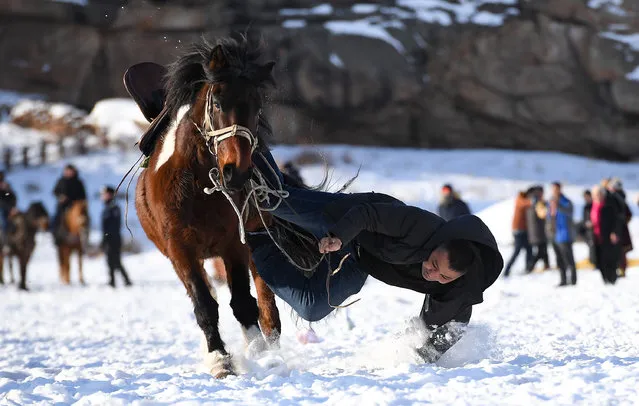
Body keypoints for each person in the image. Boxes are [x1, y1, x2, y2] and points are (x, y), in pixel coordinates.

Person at [247, 150, 503, 364]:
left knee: (311, 308)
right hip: (350, 222)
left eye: (443, 276)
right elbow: (366, 215)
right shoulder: (420, 225)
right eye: (434, 263)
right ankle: (250, 140)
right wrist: (337, 236)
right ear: (441, 243)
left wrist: (420, 359)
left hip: (361, 261)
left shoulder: (458, 294)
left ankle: (256, 237)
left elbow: (440, 336)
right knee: (273, 200)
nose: (432, 274)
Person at [101, 186, 132, 288]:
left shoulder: (114, 208)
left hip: (114, 239)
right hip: (108, 238)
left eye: (105, 194)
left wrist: (108, 237)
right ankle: (113, 281)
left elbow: (115, 226)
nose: (103, 196)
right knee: (110, 261)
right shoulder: (106, 207)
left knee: (116, 261)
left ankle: (125, 280)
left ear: (110, 195)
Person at [548, 182, 576, 286]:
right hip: (554, 234)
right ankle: (563, 280)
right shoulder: (550, 202)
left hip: (565, 234)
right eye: (553, 189)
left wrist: (558, 205)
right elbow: (548, 217)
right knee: (559, 260)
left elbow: (569, 212)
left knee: (569, 259)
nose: (554, 191)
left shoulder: (566, 202)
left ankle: (573, 280)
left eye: (556, 189)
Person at [51, 164, 87, 244]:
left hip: (75, 206)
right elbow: (55, 191)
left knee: (85, 219)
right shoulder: (61, 181)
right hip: (62, 206)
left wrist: (78, 202)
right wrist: (60, 197)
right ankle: (55, 237)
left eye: (70, 171)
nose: (68, 173)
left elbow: (83, 195)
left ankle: (85, 240)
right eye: (67, 171)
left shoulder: (78, 182)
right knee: (55, 219)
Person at [591, 186, 619, 284]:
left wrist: (614, 232)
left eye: (599, 194)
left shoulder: (609, 206)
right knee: (598, 259)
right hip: (595, 237)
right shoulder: (591, 206)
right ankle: (605, 279)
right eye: (595, 195)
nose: (597, 196)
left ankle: (612, 278)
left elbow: (616, 220)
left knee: (609, 258)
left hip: (607, 236)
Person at [503, 191, 532, 277]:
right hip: (518, 231)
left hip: (524, 230)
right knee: (517, 251)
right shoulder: (520, 200)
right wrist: (533, 200)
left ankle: (528, 268)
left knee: (529, 249)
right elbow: (526, 203)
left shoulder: (523, 200)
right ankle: (506, 271)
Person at [608, 179, 632, 278]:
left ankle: (621, 269)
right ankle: (620, 269)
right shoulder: (620, 197)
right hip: (621, 227)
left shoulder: (617, 198)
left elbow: (627, 214)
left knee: (620, 250)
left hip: (619, 228)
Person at [526, 186, 550, 272]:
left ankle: (547, 265)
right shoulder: (537, 202)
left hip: (536, 229)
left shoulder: (532, 200)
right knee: (541, 251)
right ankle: (530, 267)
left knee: (544, 248)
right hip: (537, 230)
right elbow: (542, 214)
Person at [0, 170, 17, 246]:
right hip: (2, 210)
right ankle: (4, 243)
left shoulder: (7, 186)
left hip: (9, 209)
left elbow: (12, 196)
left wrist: (13, 207)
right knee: (3, 222)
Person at [581, 190, 596, 266]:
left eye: (587, 197)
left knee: (593, 245)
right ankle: (592, 261)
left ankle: (594, 262)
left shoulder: (594, 205)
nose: (586, 198)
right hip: (588, 230)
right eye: (585, 197)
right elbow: (584, 219)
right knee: (590, 245)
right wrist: (585, 224)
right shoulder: (585, 207)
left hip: (595, 229)